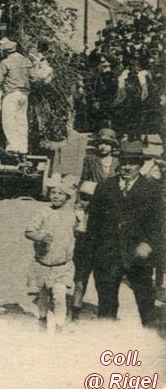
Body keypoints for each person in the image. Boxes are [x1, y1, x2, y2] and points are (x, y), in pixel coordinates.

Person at [86, 141, 164, 328]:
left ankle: (149, 344)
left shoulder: (151, 190)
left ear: (140, 165)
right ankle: (107, 347)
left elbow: (159, 224)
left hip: (138, 256)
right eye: (125, 162)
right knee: (106, 306)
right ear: (119, 163)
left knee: (146, 305)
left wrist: (149, 244)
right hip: (108, 256)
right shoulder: (105, 187)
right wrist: (96, 252)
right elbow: (93, 224)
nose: (128, 167)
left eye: (133, 163)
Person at [24, 176, 76, 333]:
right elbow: (29, 231)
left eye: (60, 194)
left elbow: (81, 231)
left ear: (67, 197)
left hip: (62, 265)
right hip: (43, 263)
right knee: (43, 295)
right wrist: (40, 237)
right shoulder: (43, 212)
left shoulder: (73, 215)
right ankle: (42, 319)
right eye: (53, 192)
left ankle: (60, 325)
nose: (56, 196)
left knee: (59, 296)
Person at [0, 37, 32, 156]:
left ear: (6, 52)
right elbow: (33, 77)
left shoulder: (5, 62)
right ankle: (23, 148)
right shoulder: (25, 61)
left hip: (11, 94)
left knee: (9, 121)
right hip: (24, 95)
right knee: (22, 121)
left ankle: (13, 148)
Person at [71, 179, 98, 322]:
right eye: (83, 198)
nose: (85, 202)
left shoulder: (102, 215)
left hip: (97, 249)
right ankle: (75, 311)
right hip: (82, 249)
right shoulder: (77, 213)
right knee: (80, 281)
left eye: (90, 199)